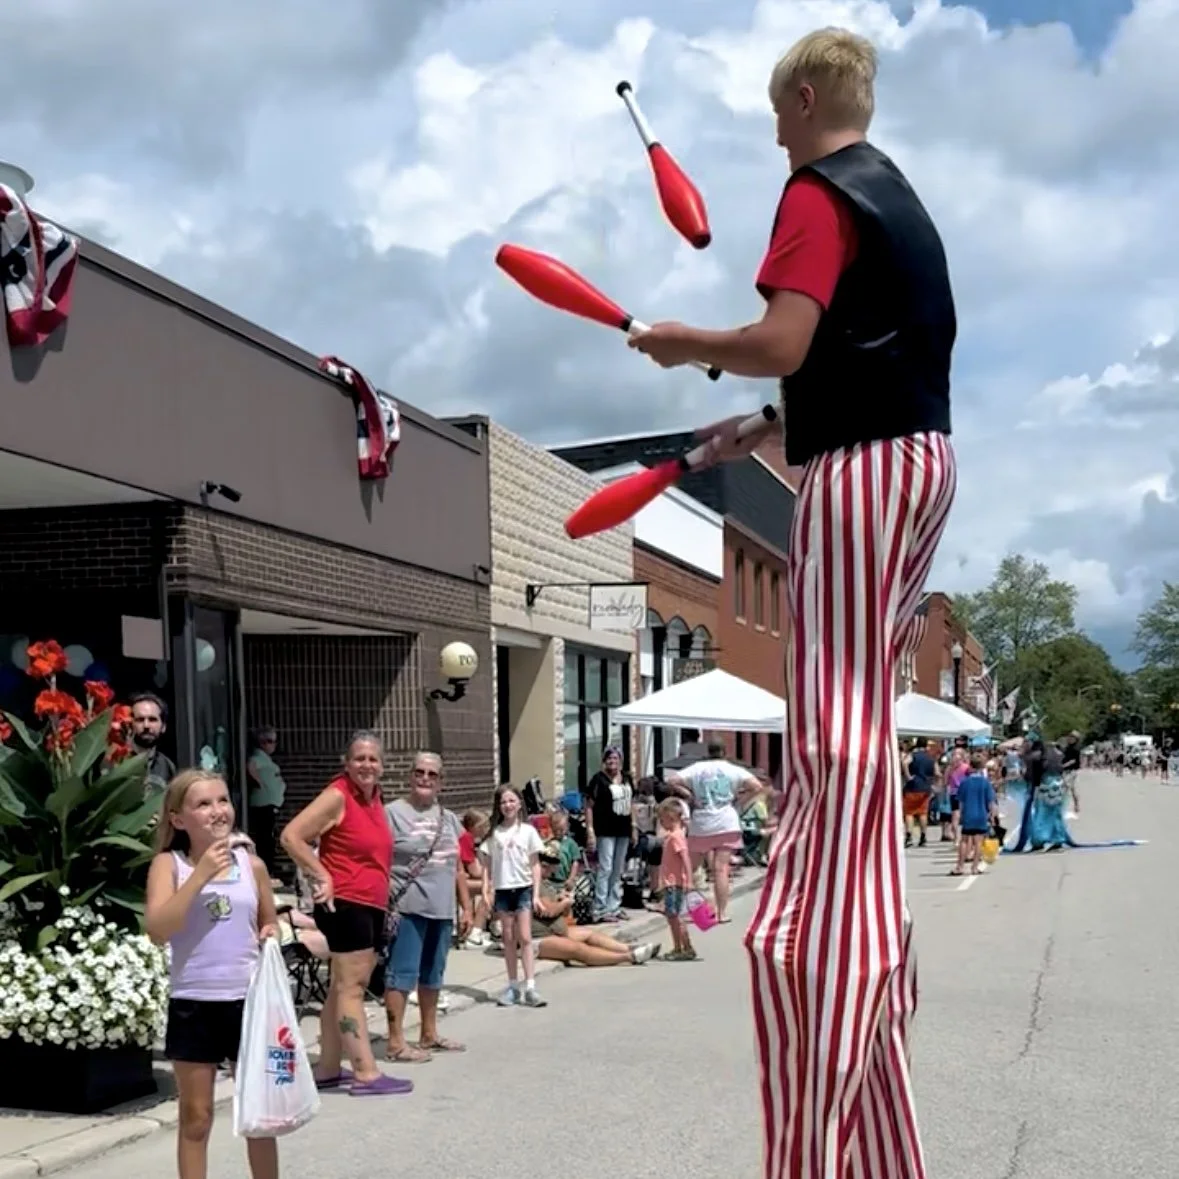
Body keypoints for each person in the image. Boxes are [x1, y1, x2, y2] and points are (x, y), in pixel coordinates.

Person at [631, 27, 958, 1177]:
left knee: (832, 711)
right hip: (914, 459)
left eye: (778, 113)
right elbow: (870, 356)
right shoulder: (899, 201)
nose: (775, 135)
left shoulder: (818, 193)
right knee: (857, 691)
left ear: (807, 97)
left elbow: (782, 337)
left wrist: (688, 346)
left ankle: (828, 923)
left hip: (863, 473)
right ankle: (850, 922)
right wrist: (768, 426)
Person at [145, 769, 279, 1179]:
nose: (217, 811)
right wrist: (201, 874)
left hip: (247, 1002)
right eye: (203, 804)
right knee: (196, 1116)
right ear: (178, 819)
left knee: (259, 1116)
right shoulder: (168, 865)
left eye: (222, 800)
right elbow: (158, 930)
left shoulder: (252, 866)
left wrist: (271, 931)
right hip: (194, 1002)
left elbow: (268, 919)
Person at [280, 731, 409, 1097]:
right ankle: (365, 1071)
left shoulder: (374, 798)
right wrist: (321, 874)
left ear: (382, 765)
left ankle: (328, 1067)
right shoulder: (338, 795)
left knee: (341, 986)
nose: (366, 765)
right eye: (359, 758)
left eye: (373, 759)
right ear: (346, 763)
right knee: (352, 987)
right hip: (346, 903)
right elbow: (291, 836)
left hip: (369, 904)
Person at [383, 752, 472, 1063]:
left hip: (442, 909)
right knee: (401, 975)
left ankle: (429, 1034)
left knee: (433, 974)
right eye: (419, 772)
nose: (425, 778)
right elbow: (377, 859)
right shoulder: (391, 814)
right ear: (410, 776)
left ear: (441, 782)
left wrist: (466, 907)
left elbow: (458, 867)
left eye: (432, 774)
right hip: (408, 908)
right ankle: (395, 1042)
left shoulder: (449, 818)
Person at [664, 741, 755, 923]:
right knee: (721, 870)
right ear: (724, 752)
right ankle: (722, 913)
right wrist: (739, 798)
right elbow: (756, 786)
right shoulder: (732, 769)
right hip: (726, 821)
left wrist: (689, 794)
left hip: (702, 822)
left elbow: (671, 780)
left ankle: (682, 907)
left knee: (690, 868)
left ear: (708, 752)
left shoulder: (698, 768)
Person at [480, 785, 547, 1008]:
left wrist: (536, 894)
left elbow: (535, 864)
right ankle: (512, 986)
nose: (508, 805)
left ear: (519, 804)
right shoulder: (494, 834)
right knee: (508, 939)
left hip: (523, 888)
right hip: (503, 889)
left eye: (511, 801)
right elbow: (487, 865)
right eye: (503, 802)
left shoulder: (528, 831)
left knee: (525, 937)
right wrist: (486, 889)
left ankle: (530, 985)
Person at [583, 746, 635, 923]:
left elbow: (631, 802)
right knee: (605, 868)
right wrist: (590, 829)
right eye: (609, 759)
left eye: (615, 758)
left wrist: (634, 825)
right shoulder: (598, 780)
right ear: (604, 761)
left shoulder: (627, 778)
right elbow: (589, 805)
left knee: (618, 868)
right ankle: (600, 907)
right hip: (605, 829)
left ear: (621, 760)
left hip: (623, 828)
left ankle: (614, 905)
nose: (612, 762)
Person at [656, 797, 696, 962]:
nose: (661, 823)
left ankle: (682, 947)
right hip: (671, 883)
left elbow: (685, 858)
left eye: (662, 819)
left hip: (674, 883)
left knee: (675, 917)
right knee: (674, 916)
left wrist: (689, 880)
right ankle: (683, 946)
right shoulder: (673, 836)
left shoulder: (675, 837)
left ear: (670, 817)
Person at [246, 726, 286, 880]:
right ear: (261, 742)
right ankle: (266, 871)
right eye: (269, 741)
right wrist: (259, 783)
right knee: (266, 839)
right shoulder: (258, 757)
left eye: (274, 742)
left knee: (269, 838)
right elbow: (251, 766)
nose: (272, 745)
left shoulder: (266, 759)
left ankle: (268, 870)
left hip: (269, 804)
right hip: (263, 805)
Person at [952, 753, 997, 876]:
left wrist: (961, 814)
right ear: (982, 767)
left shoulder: (965, 783)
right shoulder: (985, 783)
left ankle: (960, 866)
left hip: (968, 814)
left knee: (964, 840)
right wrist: (992, 815)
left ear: (970, 766)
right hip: (981, 815)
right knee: (978, 842)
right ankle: (974, 867)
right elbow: (991, 802)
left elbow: (961, 802)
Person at [130, 692, 178, 797]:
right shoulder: (116, 761)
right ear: (130, 724)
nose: (146, 725)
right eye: (140, 720)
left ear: (163, 727)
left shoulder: (167, 766)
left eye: (152, 719)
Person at [902, 737, 936, 848]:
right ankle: (923, 837)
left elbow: (904, 763)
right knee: (923, 813)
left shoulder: (913, 755)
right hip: (925, 787)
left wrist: (908, 776)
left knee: (909, 813)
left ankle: (909, 837)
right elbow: (936, 772)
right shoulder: (930, 757)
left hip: (913, 786)